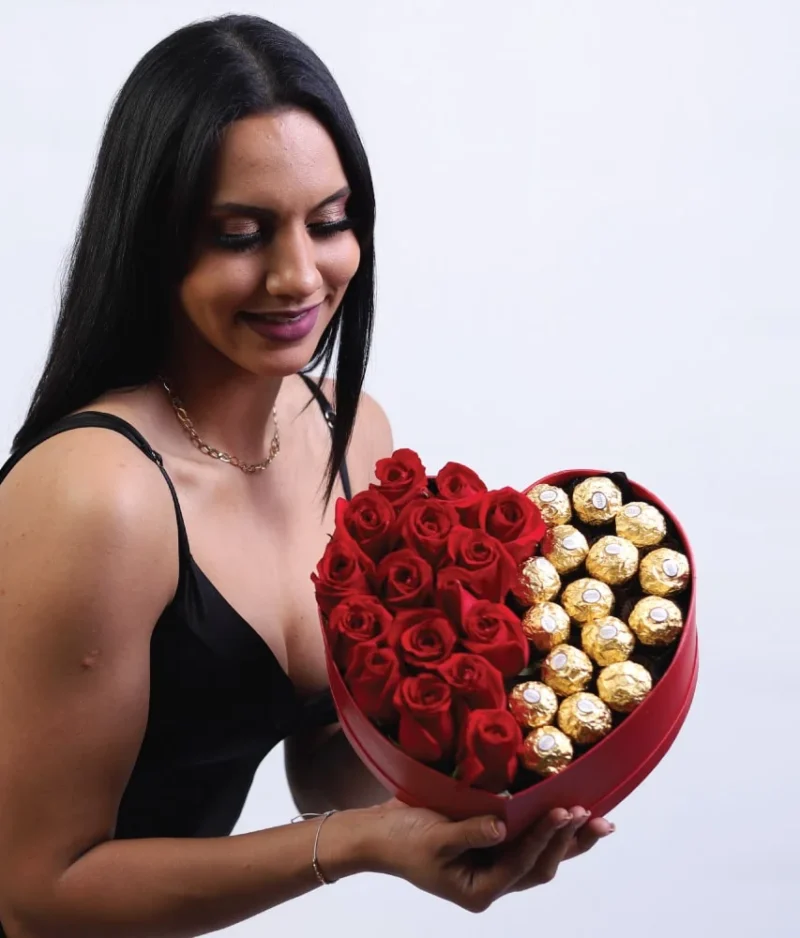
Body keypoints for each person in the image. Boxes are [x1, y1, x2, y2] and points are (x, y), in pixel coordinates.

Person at [0, 14, 613, 937]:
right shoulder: (100, 495)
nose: (300, 276)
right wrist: (356, 847)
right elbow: (37, 895)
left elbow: (325, 764)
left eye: (329, 223)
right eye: (242, 233)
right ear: (154, 240)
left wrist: (487, 770)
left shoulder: (351, 433)